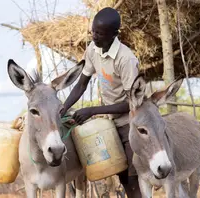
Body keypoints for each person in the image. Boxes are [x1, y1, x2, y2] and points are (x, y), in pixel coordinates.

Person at [60, 7, 141, 198]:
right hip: (109, 124)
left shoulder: (126, 59)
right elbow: (81, 84)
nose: (95, 37)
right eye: (93, 31)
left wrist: (93, 110)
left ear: (114, 34)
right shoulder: (93, 50)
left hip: (130, 123)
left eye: (100, 33)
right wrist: (63, 108)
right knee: (121, 174)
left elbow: (133, 103)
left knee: (132, 178)